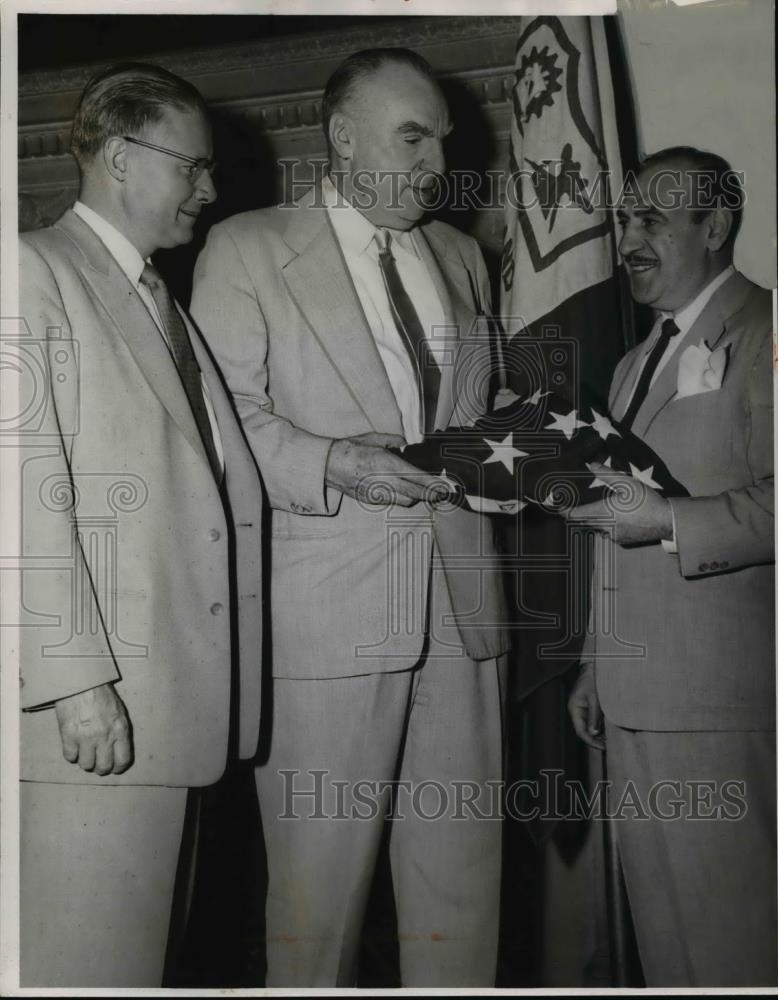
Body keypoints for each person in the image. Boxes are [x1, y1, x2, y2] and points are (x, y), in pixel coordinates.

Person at [191, 47, 510, 987]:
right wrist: (332, 461)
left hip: (464, 613)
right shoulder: (248, 247)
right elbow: (221, 418)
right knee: (314, 908)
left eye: (441, 141)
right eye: (411, 137)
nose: (433, 163)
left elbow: (479, 417)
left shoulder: (461, 254)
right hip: (327, 621)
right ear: (341, 136)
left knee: (464, 900)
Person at [18, 62, 265, 987]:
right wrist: (77, 682)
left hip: (176, 720)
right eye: (192, 167)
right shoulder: (32, 269)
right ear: (122, 158)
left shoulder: (162, 302)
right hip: (92, 720)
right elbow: (22, 495)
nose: (210, 188)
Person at [567, 147, 775, 986]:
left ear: (715, 226)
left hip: (722, 698)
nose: (630, 237)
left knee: (735, 941)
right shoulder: (630, 362)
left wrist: (671, 521)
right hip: (629, 696)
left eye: (654, 217)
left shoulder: (765, 331)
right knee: (664, 945)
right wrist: (591, 660)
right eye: (624, 218)